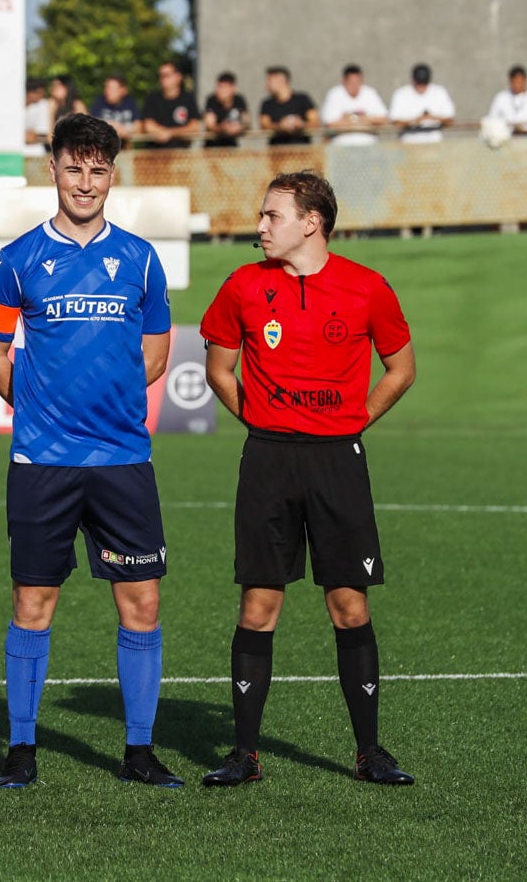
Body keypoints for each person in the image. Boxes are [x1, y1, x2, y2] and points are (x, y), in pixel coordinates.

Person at [0, 113, 182, 790]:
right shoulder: (16, 261)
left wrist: (109, 398)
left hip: (122, 459)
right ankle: (23, 749)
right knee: (33, 601)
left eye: (97, 169)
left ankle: (139, 750)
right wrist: (38, 404)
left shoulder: (142, 260)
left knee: (141, 604)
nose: (84, 181)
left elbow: (155, 352)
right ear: (53, 171)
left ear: (111, 175)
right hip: (43, 460)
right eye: (73, 167)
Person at [198, 170, 417, 788]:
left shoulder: (367, 287)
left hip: (336, 460)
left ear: (310, 222)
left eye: (272, 216)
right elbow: (219, 368)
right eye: (262, 215)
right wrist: (264, 423)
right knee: (259, 603)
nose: (260, 226)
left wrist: (355, 421)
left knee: (349, 604)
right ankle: (244, 754)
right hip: (267, 459)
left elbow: (401, 368)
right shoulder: (243, 285)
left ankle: (370, 751)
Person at [319, 64, 388, 147]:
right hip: (341, 147)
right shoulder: (335, 94)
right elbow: (330, 123)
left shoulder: (370, 93)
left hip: (368, 145)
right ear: (344, 81)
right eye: (351, 83)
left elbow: (383, 120)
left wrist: (349, 119)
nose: (355, 86)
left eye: (358, 82)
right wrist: (365, 120)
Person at [388, 63, 456, 144]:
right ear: (413, 80)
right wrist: (415, 121)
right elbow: (395, 121)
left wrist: (431, 117)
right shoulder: (401, 94)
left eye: (424, 83)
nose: (421, 87)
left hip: (434, 144)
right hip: (408, 143)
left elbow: (450, 119)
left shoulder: (439, 92)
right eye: (419, 83)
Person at [140, 61, 201, 149]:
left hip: (181, 154)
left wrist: (170, 133)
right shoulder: (152, 98)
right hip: (154, 154)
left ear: (178, 77)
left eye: (167, 75)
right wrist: (162, 132)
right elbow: (148, 125)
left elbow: (195, 126)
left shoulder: (188, 98)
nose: (163, 78)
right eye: (160, 75)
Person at [259, 66, 319, 145]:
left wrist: (301, 125)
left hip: (302, 151)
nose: (267, 85)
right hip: (277, 153)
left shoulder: (302, 99)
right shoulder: (267, 104)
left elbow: (315, 122)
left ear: (281, 80)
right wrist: (280, 127)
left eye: (269, 80)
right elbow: (264, 124)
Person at [487, 65, 527, 135]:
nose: (517, 85)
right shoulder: (501, 98)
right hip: (506, 141)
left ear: (525, 80)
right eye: (514, 82)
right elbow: (492, 120)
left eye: (519, 82)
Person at [204, 72, 250, 148]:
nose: (219, 90)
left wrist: (240, 127)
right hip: (212, 148)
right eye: (219, 87)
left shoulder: (239, 100)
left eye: (224, 87)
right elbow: (210, 124)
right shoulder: (211, 100)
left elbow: (247, 121)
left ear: (233, 89)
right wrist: (222, 128)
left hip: (231, 147)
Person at [89, 74, 141, 141]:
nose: (107, 91)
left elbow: (139, 126)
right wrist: (111, 127)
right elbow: (91, 123)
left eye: (112, 88)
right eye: (106, 87)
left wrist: (125, 129)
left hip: (125, 145)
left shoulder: (130, 102)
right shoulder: (99, 102)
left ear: (123, 90)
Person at [25, 77, 52, 155]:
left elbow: (42, 134)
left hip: (36, 151)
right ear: (30, 93)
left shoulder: (43, 105)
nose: (42, 95)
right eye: (40, 92)